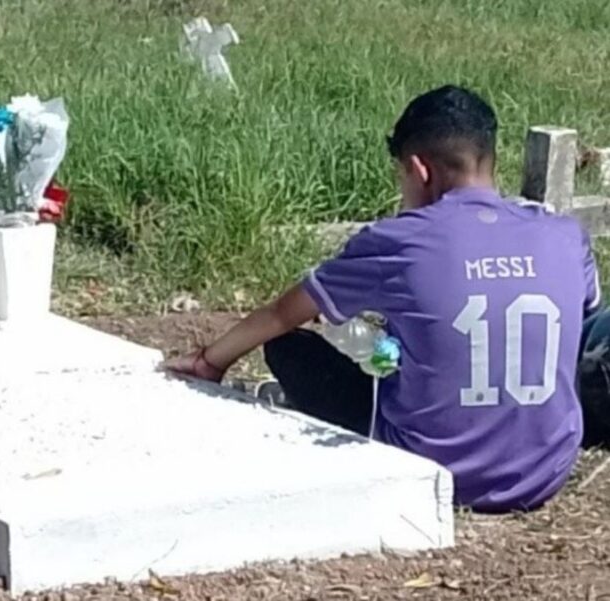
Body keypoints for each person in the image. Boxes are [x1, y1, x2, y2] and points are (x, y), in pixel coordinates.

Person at [164, 84, 601, 513]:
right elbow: (583, 325)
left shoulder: (400, 241)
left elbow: (283, 314)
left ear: (419, 169)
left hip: (432, 466)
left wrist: (212, 360)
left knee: (289, 348)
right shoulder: (563, 235)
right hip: (545, 472)